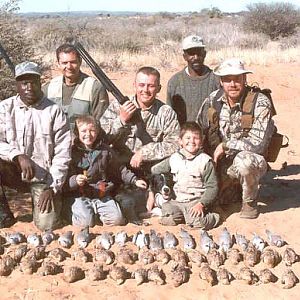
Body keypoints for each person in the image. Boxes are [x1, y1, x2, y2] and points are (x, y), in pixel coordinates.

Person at [197, 58, 275, 219]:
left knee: (244, 161)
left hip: (250, 161)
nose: (232, 84)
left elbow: (257, 144)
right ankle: (231, 189)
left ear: (244, 79)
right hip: (221, 163)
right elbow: (199, 128)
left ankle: (249, 203)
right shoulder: (213, 99)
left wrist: (225, 146)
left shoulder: (260, 102)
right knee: (216, 199)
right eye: (227, 79)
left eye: (237, 79)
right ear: (220, 81)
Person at [100, 66, 180, 222]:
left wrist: (145, 152)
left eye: (151, 86)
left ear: (158, 88)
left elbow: (174, 143)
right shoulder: (118, 106)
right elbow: (101, 138)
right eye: (142, 85)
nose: (145, 90)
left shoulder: (165, 112)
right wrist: (121, 120)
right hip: (120, 167)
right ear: (134, 85)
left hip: (151, 167)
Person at [0, 61, 71, 230]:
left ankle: (42, 201)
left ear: (40, 83)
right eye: (24, 83)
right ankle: (4, 215)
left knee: (46, 225)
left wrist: (52, 187)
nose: (29, 87)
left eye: (33, 82)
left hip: (44, 178)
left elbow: (63, 154)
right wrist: (17, 155)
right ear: (17, 85)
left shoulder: (55, 111)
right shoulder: (4, 107)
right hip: (14, 172)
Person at [63, 115, 147, 227]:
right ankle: (70, 213)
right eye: (83, 131)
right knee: (85, 223)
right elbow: (65, 177)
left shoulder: (105, 150)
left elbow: (119, 169)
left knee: (117, 220)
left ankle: (95, 213)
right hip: (79, 195)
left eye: (92, 131)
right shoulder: (72, 152)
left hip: (101, 194)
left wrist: (134, 180)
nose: (88, 134)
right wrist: (75, 180)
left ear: (97, 132)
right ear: (77, 133)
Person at [149, 122, 219, 229]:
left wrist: (201, 204)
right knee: (167, 217)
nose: (191, 141)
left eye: (196, 138)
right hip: (178, 200)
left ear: (201, 141)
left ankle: (215, 216)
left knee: (198, 223)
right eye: (188, 138)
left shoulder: (205, 161)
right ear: (180, 141)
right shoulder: (174, 158)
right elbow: (154, 170)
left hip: (196, 201)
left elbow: (212, 187)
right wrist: (152, 191)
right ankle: (185, 216)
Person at [42, 43, 109, 129]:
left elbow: (101, 124)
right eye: (64, 63)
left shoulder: (94, 88)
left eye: (73, 62)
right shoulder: (48, 87)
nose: (69, 66)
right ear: (58, 64)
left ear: (80, 61)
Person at [167, 35, 219, 125]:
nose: (196, 57)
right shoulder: (175, 82)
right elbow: (169, 115)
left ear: (205, 54)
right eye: (191, 53)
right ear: (184, 56)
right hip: (184, 136)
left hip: (211, 136)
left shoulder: (216, 79)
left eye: (199, 53)